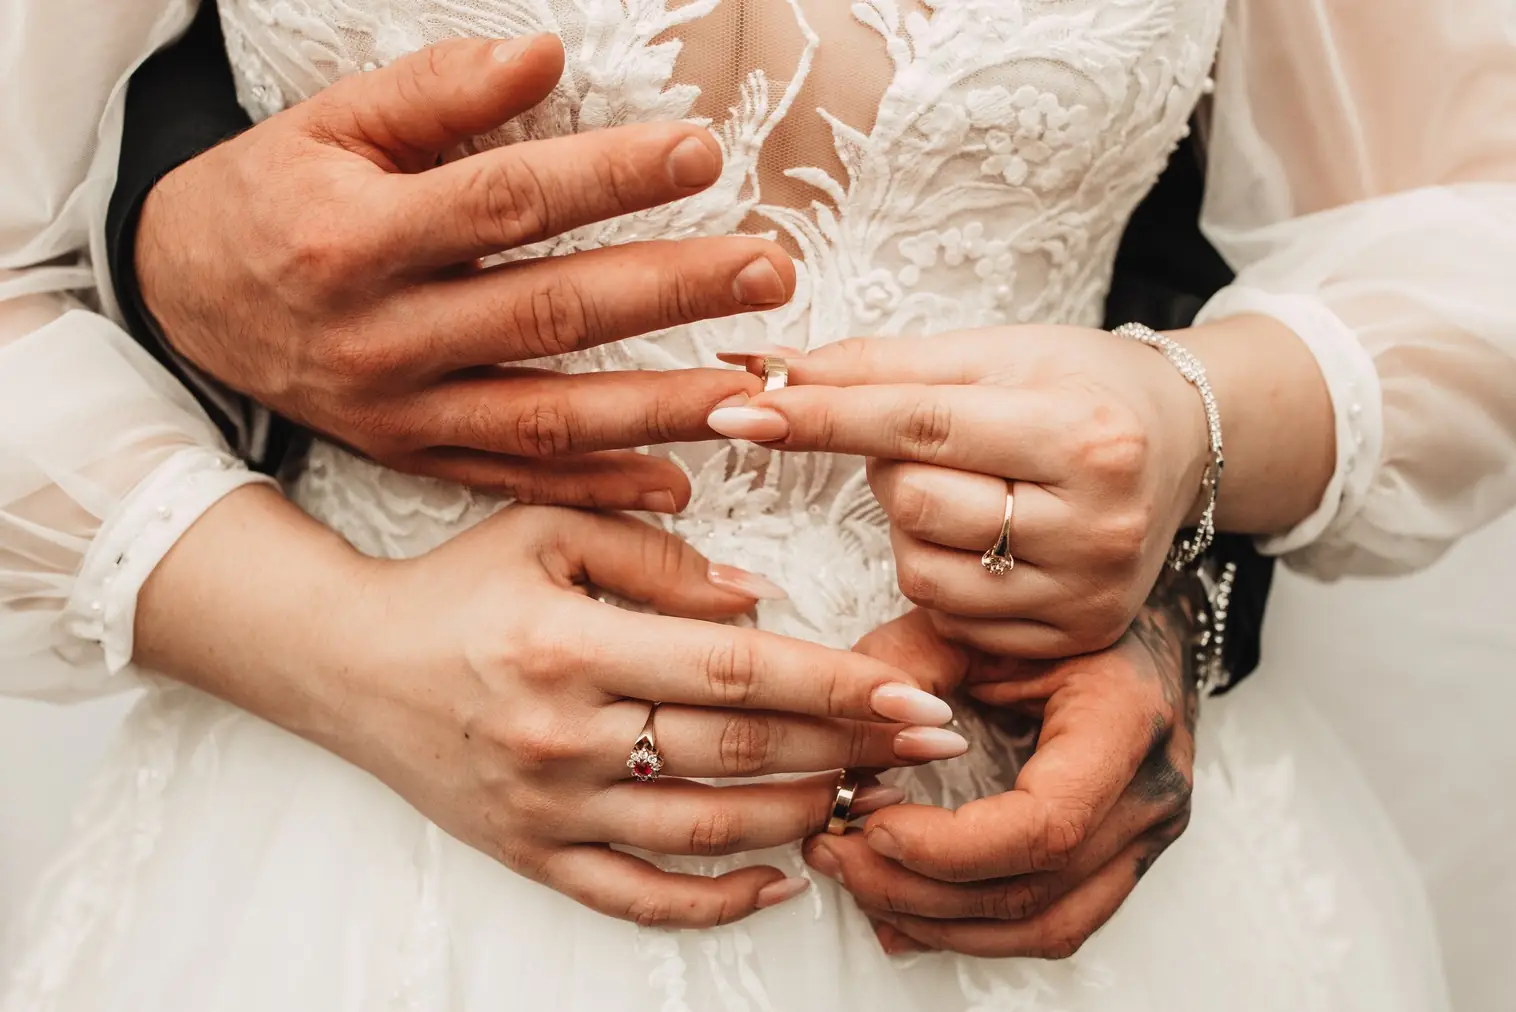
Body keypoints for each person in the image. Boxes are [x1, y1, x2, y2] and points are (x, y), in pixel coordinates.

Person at [2, 1, 1513, 1009]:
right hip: (359, 841)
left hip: (1062, 828)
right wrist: (336, 644)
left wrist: (1189, 427)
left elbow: (1464, 226)